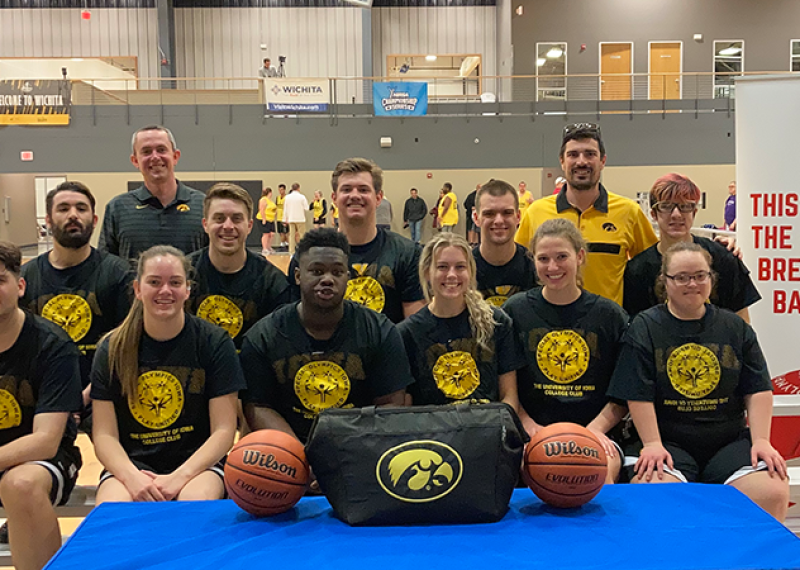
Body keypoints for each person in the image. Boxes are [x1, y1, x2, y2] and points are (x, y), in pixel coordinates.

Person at [608, 242, 789, 521]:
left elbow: (758, 388)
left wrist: (761, 440)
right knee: (656, 496)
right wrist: (653, 443)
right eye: (681, 277)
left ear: (710, 279)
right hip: (669, 440)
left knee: (771, 491)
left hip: (726, 439)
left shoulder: (735, 327)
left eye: (700, 275)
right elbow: (638, 393)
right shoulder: (644, 327)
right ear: (665, 282)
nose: (692, 283)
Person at [91, 245, 244, 504]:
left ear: (187, 290)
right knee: (114, 511)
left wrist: (179, 476)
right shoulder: (112, 348)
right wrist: (132, 478)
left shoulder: (214, 342)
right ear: (138, 289)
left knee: (194, 503)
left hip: (198, 466)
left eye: (175, 282)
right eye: (154, 282)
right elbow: (104, 436)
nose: (165, 290)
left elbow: (224, 430)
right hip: (132, 466)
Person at [240, 229, 412, 443]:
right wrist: (297, 455)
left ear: (348, 277)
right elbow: (257, 405)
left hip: (358, 447)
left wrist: (341, 453)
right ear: (297, 275)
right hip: (288, 452)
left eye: (337, 272)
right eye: (317, 271)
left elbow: (390, 405)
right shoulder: (264, 336)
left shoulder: (380, 331)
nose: (328, 279)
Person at [504, 219, 629, 483]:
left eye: (562, 257)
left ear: (580, 256)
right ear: (533, 261)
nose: (552, 267)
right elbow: (507, 387)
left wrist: (594, 431)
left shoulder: (609, 315)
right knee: (531, 475)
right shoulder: (515, 311)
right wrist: (531, 429)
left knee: (597, 474)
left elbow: (623, 392)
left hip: (595, 429)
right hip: (532, 432)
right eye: (543, 258)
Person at [21, 182, 132, 425]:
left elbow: (126, 348)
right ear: (48, 220)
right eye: (63, 209)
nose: (73, 215)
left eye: (81, 209)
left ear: (93, 219)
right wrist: (56, 404)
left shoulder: (118, 274)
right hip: (44, 403)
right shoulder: (26, 278)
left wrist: (82, 398)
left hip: (102, 398)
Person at [0, 242, 83, 570]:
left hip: (43, 462)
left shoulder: (52, 344)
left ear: (20, 286)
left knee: (19, 484)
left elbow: (46, 441)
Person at [516, 123, 658, 306]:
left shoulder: (629, 212)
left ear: (603, 161)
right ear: (562, 161)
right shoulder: (536, 212)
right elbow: (519, 268)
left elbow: (652, 268)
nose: (581, 162)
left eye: (590, 154)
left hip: (608, 328)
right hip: (550, 330)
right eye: (573, 155)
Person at [288, 158, 425, 324]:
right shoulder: (308, 255)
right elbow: (294, 322)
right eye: (346, 189)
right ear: (334, 198)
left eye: (363, 189)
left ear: (378, 198)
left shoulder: (407, 254)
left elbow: (414, 326)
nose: (354, 195)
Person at [398, 233, 525, 408]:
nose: (451, 275)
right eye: (442, 267)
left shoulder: (497, 323)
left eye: (460, 267)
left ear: (471, 272)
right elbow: (407, 409)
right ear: (427, 272)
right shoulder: (408, 333)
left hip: (486, 428)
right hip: (436, 432)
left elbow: (509, 398)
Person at [623, 173, 760, 321]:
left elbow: (742, 322)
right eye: (666, 206)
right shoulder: (637, 271)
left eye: (685, 206)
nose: (676, 214)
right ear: (653, 214)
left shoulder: (723, 258)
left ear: (694, 212)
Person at [187, 183, 289, 349]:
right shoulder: (183, 275)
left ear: (249, 226)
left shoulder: (273, 283)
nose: (228, 226)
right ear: (205, 224)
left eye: (236, 218)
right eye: (219, 218)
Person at [98, 125, 208, 263]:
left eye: (161, 150)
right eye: (146, 151)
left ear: (175, 156)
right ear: (135, 161)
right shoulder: (118, 208)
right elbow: (105, 265)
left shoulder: (203, 205)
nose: (155, 157)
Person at [472, 179, 537, 306]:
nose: (499, 220)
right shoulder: (463, 270)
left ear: (518, 217)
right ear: (476, 218)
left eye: (507, 213)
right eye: (489, 213)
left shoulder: (536, 268)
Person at [282, 183, 309, 255]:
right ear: (298, 188)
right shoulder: (302, 197)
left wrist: (284, 219)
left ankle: (291, 252)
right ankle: (303, 251)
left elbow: (285, 209)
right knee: (302, 235)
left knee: (291, 235)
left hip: (291, 218)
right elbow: (307, 208)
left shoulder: (287, 197)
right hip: (300, 218)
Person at [256, 186, 277, 255]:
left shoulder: (270, 200)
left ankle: (269, 247)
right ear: (269, 193)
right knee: (266, 234)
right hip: (264, 219)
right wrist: (264, 219)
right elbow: (261, 209)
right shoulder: (263, 200)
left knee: (272, 234)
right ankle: (264, 248)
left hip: (271, 219)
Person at [275, 184, 289, 249]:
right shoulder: (277, 198)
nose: (280, 191)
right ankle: (282, 243)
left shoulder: (287, 198)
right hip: (278, 218)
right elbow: (276, 207)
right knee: (280, 232)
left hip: (285, 218)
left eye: (282, 190)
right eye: (279, 190)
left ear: (284, 190)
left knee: (286, 232)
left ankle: (287, 244)